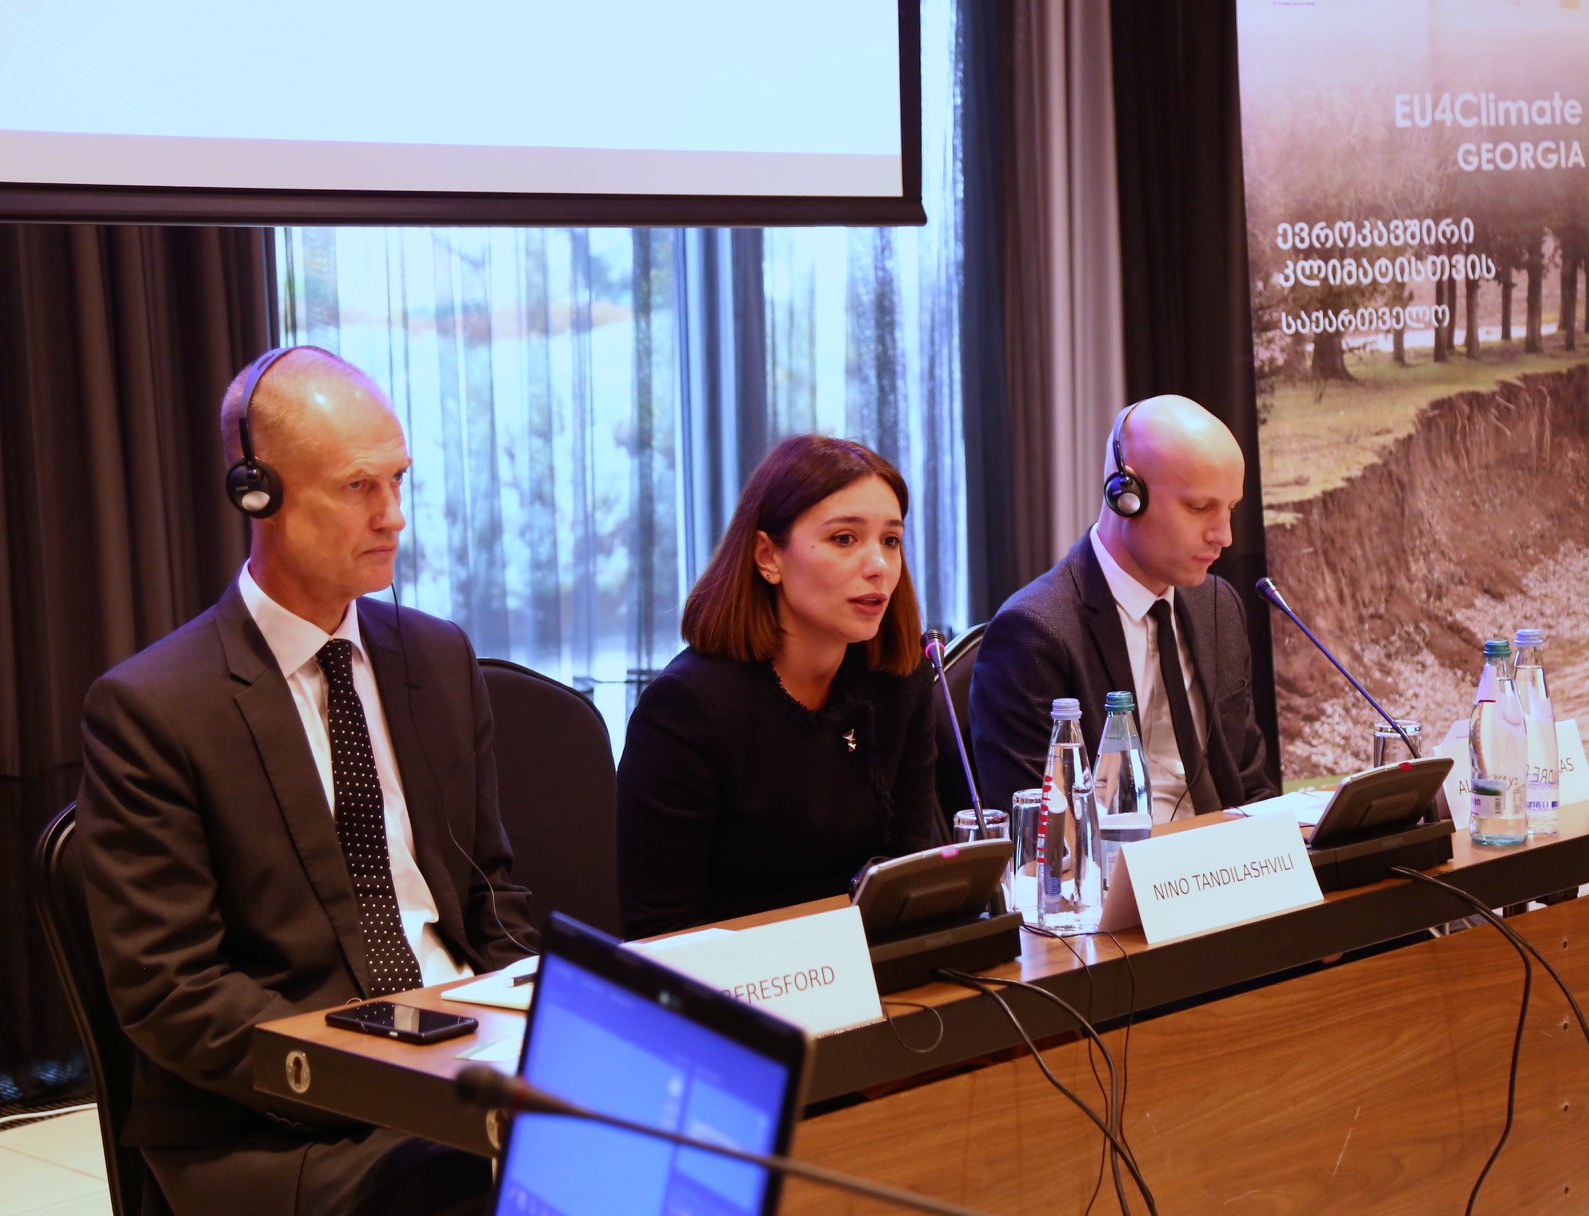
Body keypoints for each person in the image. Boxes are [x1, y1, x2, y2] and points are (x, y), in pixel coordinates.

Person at [78, 347, 534, 1216]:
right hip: (281, 1119)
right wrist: (387, 1070)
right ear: (258, 494)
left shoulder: (437, 659)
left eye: (399, 480)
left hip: (463, 1057)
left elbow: (492, 897)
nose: (393, 516)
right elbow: (172, 992)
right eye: (358, 487)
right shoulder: (152, 708)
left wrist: (538, 1022)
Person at [616, 435, 943, 939]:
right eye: (844, 539)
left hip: (875, 969)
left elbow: (913, 879)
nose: (879, 566)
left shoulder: (899, 681)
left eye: (891, 541)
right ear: (768, 556)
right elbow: (662, 933)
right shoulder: (687, 708)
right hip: (735, 981)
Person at [970, 394, 1277, 820]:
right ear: (1126, 495)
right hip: (1116, 860)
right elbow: (1045, 834)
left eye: (1230, 509)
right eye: (1199, 507)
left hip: (1223, 854)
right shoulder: (1034, 634)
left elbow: (1249, 784)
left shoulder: (1218, 605)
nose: (1224, 536)